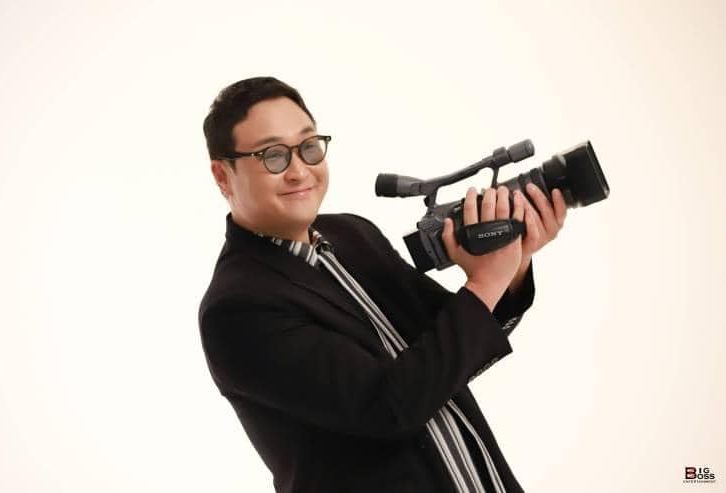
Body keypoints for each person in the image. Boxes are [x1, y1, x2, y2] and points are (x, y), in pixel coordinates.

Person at [198, 76, 567, 493]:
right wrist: (486, 281)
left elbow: (448, 354)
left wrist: (513, 262)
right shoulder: (237, 308)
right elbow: (389, 407)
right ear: (222, 176)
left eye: (308, 147)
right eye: (273, 156)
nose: (299, 171)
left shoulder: (354, 235)